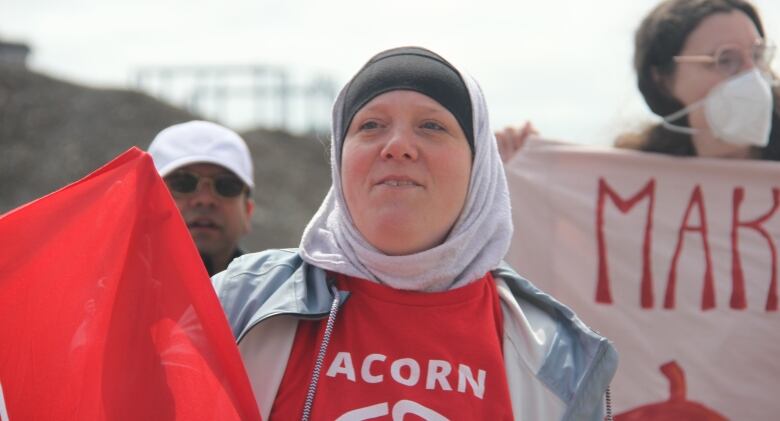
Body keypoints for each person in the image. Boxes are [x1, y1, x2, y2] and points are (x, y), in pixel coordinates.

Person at [212, 47, 617, 420]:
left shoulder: (558, 358)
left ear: (479, 168)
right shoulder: (237, 303)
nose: (398, 146)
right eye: (370, 125)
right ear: (339, 156)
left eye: (431, 126)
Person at [615, 0, 780, 160]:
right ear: (663, 82)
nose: (753, 75)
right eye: (725, 60)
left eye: (758, 56)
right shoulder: (627, 177)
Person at [148, 120, 255, 275]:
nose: (205, 199)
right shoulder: (108, 292)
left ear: (248, 211)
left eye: (226, 185)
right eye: (182, 183)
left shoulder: (277, 296)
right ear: (146, 204)